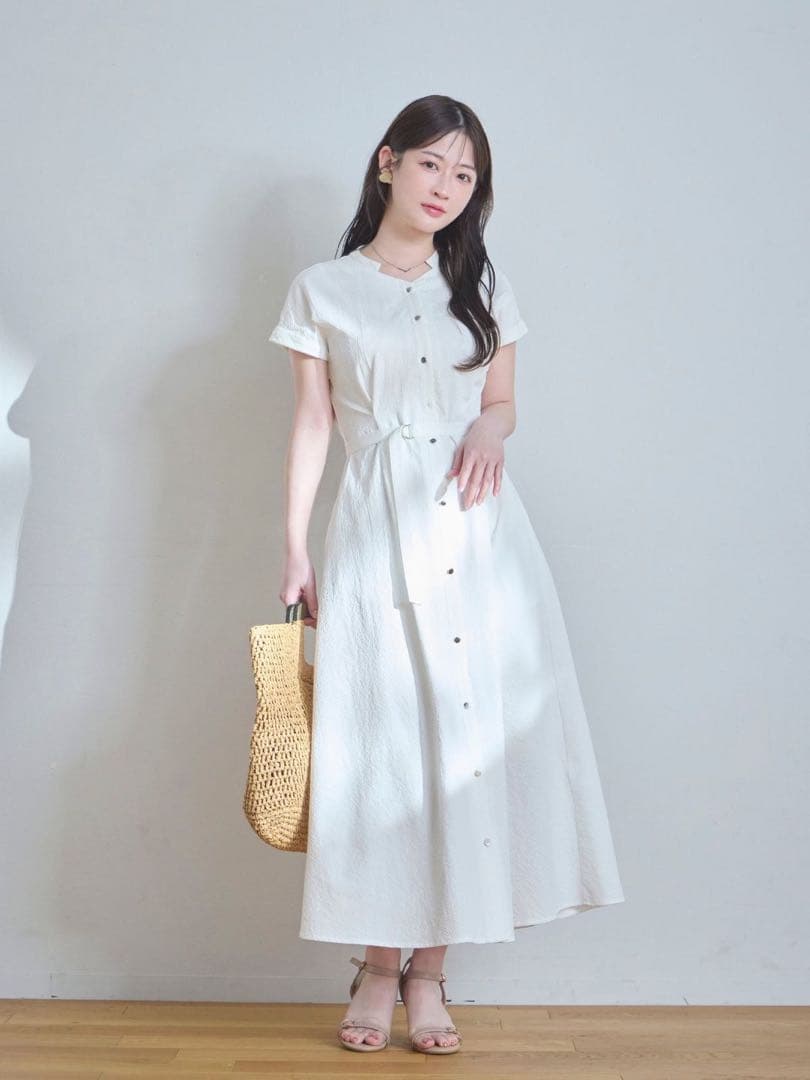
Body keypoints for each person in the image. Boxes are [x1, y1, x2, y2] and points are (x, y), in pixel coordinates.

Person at [268, 94, 626, 1056]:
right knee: (386, 751)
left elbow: (503, 403)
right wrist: (295, 546)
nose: (447, 186)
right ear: (388, 162)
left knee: (464, 751)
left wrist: (488, 429)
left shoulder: (481, 286)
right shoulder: (322, 290)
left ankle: (429, 974)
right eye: (432, 163)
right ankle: (377, 968)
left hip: (480, 534)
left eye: (466, 174)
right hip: (377, 533)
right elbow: (313, 423)